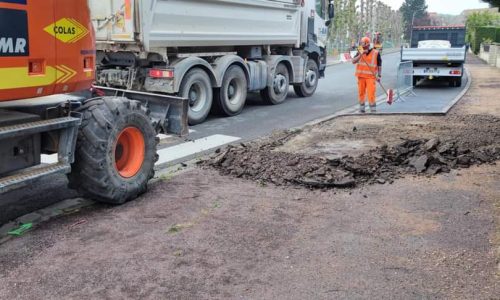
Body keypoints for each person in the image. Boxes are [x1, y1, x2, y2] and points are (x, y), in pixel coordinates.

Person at [352, 36, 382, 113]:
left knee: (371, 93)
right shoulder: (360, 51)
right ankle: (362, 109)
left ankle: (373, 110)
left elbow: (379, 65)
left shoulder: (376, 53)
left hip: (371, 77)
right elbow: (353, 61)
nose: (362, 45)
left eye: (363, 43)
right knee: (361, 93)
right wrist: (361, 54)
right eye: (361, 43)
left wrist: (379, 75)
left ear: (368, 44)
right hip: (361, 76)